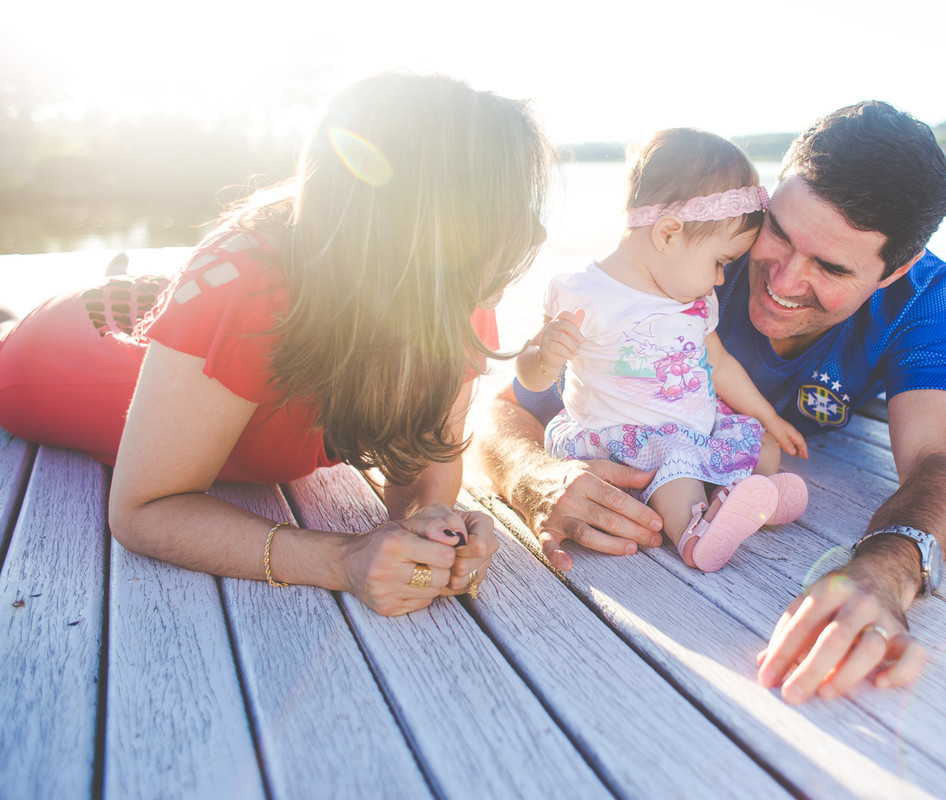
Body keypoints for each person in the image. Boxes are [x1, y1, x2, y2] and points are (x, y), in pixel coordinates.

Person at [470, 101, 946, 702]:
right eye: (780, 233)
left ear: (896, 271)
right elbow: (506, 406)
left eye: (831, 268)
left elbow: (941, 461)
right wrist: (532, 474)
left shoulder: (921, 300)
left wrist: (886, 571)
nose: (782, 282)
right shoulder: (697, 254)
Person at [0, 72, 552, 617]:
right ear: (429, 217)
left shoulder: (450, 290)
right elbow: (143, 509)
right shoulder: (249, 285)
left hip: (182, 308)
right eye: (506, 207)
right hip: (61, 352)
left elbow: (427, 462)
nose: (537, 233)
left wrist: (434, 524)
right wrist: (342, 559)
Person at [515, 129, 810, 573]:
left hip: (692, 430)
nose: (719, 281)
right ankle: (695, 536)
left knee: (761, 447)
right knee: (678, 478)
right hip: (625, 446)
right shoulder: (583, 293)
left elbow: (720, 364)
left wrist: (769, 417)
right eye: (720, 263)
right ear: (669, 233)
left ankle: (747, 500)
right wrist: (545, 358)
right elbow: (529, 375)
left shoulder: (693, 301)